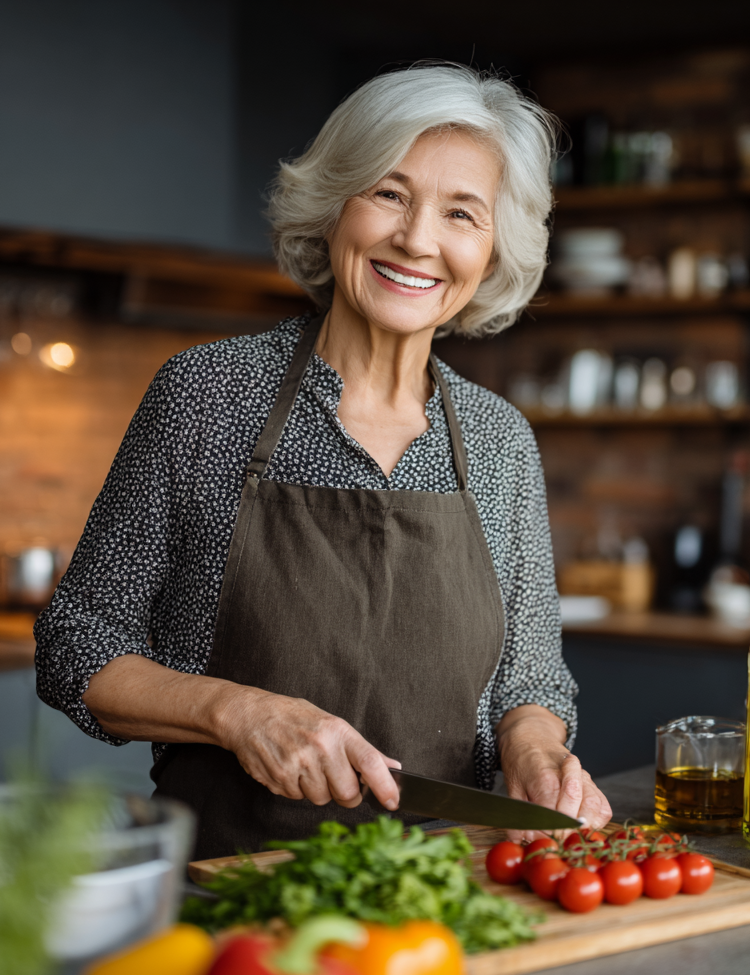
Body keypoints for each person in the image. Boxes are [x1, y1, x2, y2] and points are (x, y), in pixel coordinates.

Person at [35, 64, 611, 858]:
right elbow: (75, 643)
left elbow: (529, 681)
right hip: (234, 886)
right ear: (336, 205)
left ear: (492, 251)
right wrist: (238, 713)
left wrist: (538, 750)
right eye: (388, 193)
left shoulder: (499, 440)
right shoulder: (206, 395)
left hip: (450, 885)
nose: (417, 239)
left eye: (461, 214)